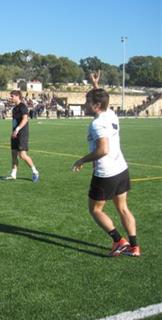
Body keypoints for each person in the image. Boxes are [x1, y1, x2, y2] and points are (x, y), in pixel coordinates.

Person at [72, 71, 140, 257]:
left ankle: (119, 241)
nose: (84, 104)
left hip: (106, 173)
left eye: (87, 102)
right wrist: (96, 85)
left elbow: (103, 150)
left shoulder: (97, 124)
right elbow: (103, 100)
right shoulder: (109, 113)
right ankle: (134, 247)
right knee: (123, 208)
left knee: (95, 209)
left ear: (96, 105)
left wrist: (82, 160)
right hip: (121, 169)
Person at [2, 90, 39, 182]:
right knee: (14, 154)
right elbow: (14, 121)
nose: (10, 98)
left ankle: (35, 171)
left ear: (17, 96)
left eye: (12, 96)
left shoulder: (23, 107)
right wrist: (13, 131)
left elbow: (25, 119)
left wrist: (18, 129)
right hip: (15, 134)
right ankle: (13, 174)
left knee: (22, 155)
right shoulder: (14, 108)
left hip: (22, 134)